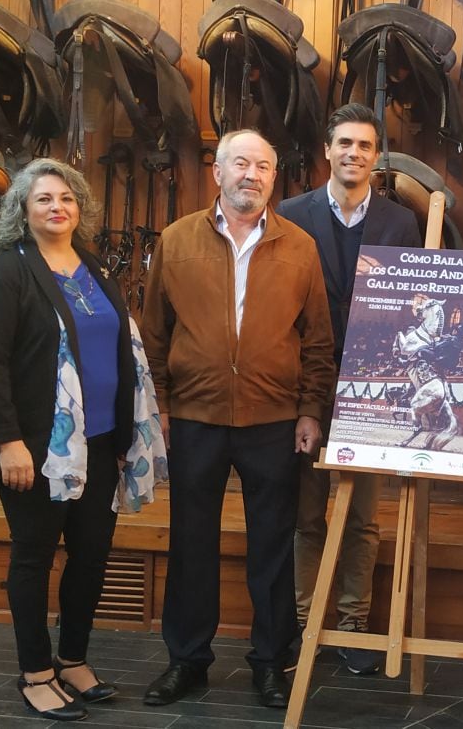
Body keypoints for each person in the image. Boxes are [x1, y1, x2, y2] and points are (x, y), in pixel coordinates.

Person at [140, 129, 335, 710]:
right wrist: (163, 409)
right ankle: (187, 661)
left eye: (264, 167)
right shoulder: (175, 242)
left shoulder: (300, 247)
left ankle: (270, 663)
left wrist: (309, 409)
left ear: (276, 178)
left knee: (272, 548)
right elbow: (153, 336)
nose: (252, 174)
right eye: (241, 164)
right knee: (190, 542)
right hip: (195, 418)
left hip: (273, 419)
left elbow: (318, 342)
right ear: (217, 173)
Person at [0, 158, 163, 721]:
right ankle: (35, 672)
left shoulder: (93, 268)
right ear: (23, 213)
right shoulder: (4, 276)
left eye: (67, 199)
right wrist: (7, 441)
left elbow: (120, 353)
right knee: (33, 558)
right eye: (44, 199)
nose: (58, 207)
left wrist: (127, 434)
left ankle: (73, 659)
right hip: (35, 450)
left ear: (81, 209)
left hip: (99, 443)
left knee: (92, 556)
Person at [277, 103, 421, 674]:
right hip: (306, 385)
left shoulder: (400, 222)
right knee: (307, 515)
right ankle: (305, 622)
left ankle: (353, 624)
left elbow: (414, 303)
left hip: (375, 390)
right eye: (344, 143)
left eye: (364, 145)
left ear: (376, 156)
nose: (353, 153)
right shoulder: (290, 213)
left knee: (363, 515)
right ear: (327, 151)